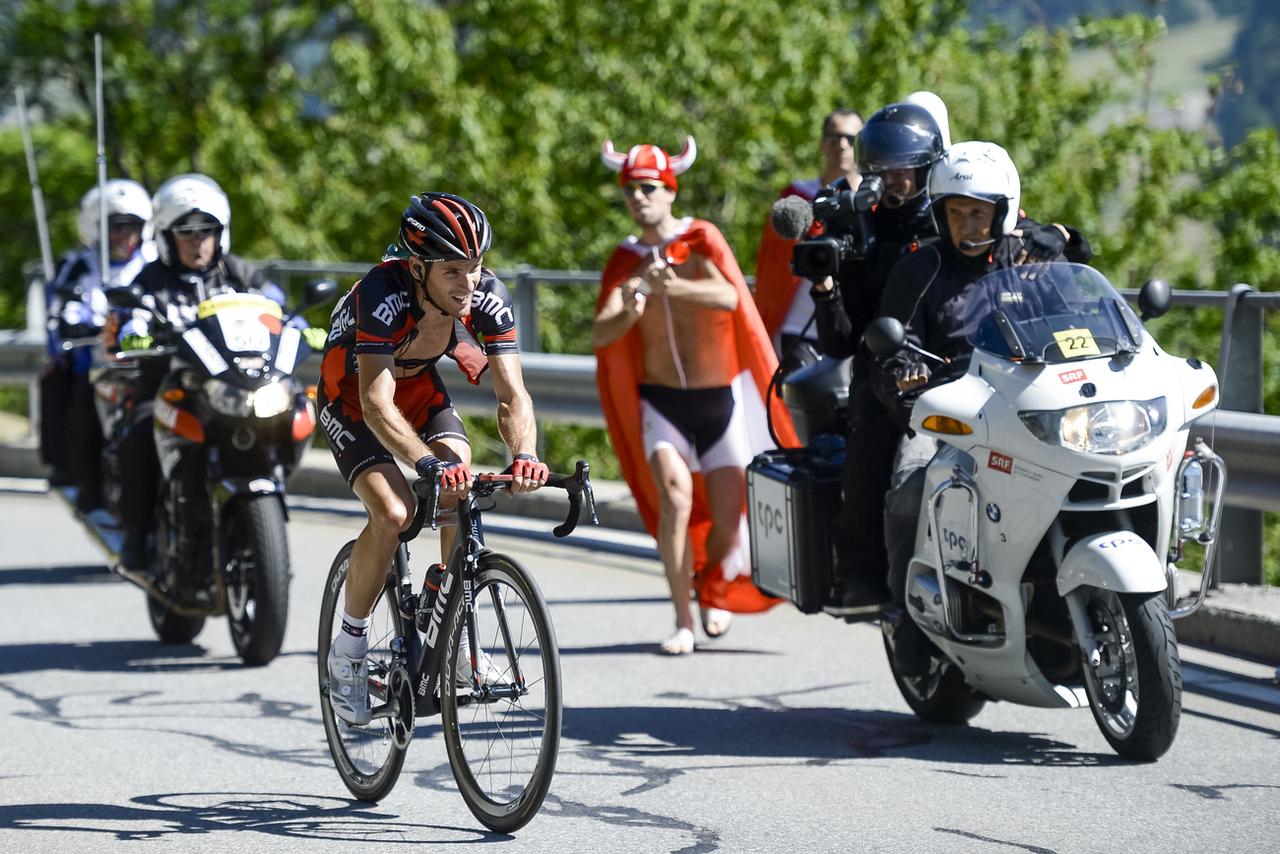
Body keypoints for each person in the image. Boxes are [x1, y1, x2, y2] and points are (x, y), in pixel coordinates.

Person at [319, 191, 548, 726]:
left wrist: (526, 455)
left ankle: (453, 626)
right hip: (353, 398)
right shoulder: (383, 292)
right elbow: (376, 404)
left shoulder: (487, 295)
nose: (467, 284)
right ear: (418, 267)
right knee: (395, 514)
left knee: (461, 484)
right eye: (452, 271)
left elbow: (513, 395)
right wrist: (425, 462)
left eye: (475, 268)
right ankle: (348, 652)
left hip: (419, 390)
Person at [873, 141, 1087, 675]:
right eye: (954, 212)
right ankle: (906, 613)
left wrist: (1062, 240)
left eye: (978, 211)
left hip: (1030, 411)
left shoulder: (1026, 258)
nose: (966, 224)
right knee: (911, 478)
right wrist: (903, 370)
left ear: (1003, 210)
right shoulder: (919, 268)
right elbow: (892, 345)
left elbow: (1082, 291)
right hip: (956, 415)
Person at [594, 136, 798, 655]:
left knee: (730, 518)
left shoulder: (701, 239)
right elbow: (602, 331)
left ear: (669, 191)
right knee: (675, 499)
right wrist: (638, 294)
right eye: (630, 191)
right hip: (661, 402)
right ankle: (683, 618)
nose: (638, 199)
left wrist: (673, 287)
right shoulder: (627, 259)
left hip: (718, 399)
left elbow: (732, 296)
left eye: (648, 189)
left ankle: (713, 593)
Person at [811, 100, 950, 614]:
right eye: (885, 170)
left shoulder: (952, 215)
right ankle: (863, 575)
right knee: (869, 448)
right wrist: (825, 286)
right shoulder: (861, 227)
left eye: (905, 169)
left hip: (964, 366)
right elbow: (840, 342)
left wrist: (1058, 240)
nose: (895, 180)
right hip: (890, 375)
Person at [113, 173, 285, 572]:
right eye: (186, 231)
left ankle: (268, 508)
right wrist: (133, 335)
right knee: (138, 429)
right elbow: (130, 317)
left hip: (233, 386)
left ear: (220, 232)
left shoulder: (239, 273)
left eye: (206, 230)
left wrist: (298, 328)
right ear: (166, 236)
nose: (198, 241)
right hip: (168, 386)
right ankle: (135, 536)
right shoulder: (151, 278)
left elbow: (278, 308)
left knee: (291, 407)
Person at [44, 180, 155, 509]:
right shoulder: (80, 265)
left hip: (150, 363)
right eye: (116, 227)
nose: (125, 236)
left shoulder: (156, 262)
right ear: (98, 228)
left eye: (132, 227)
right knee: (83, 406)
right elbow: (60, 311)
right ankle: (89, 488)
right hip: (99, 364)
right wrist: (77, 324)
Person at [753, 108, 863, 374]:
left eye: (851, 138)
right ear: (823, 143)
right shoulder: (797, 197)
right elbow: (772, 269)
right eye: (835, 137)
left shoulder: (875, 199)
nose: (842, 145)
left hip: (856, 329)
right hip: (799, 328)